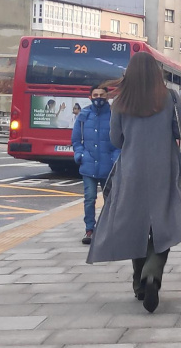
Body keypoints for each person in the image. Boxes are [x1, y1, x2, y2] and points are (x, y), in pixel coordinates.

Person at [87, 52, 181, 313]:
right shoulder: (169, 98)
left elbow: (117, 141)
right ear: (156, 72)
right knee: (164, 224)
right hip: (165, 170)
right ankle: (152, 273)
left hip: (131, 173)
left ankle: (139, 283)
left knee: (136, 225)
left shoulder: (119, 102)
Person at [71, 86, 119, 245]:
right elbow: (76, 140)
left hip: (109, 167)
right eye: (95, 95)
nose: (99, 98)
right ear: (90, 96)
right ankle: (89, 229)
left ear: (107, 97)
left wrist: (116, 158)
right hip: (88, 165)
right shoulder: (83, 116)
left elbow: (120, 141)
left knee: (110, 200)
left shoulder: (114, 116)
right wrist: (80, 155)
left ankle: (109, 229)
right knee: (89, 198)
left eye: (102, 95)